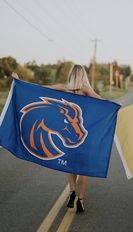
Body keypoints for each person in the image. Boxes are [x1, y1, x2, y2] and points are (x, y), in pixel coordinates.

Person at [12, 64, 101, 213]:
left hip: (69, 139)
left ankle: (72, 191)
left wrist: (20, 83)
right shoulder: (86, 90)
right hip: (83, 136)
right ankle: (80, 200)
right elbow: (101, 101)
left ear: (71, 75)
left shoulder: (63, 88)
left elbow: (41, 88)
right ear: (83, 76)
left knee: (71, 166)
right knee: (84, 169)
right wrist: (117, 106)